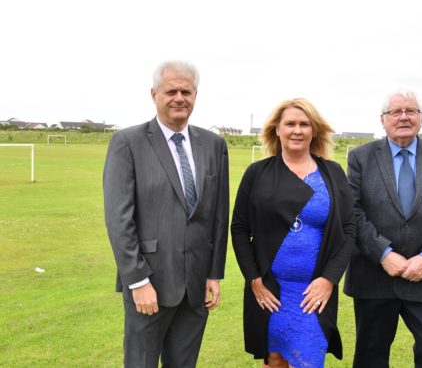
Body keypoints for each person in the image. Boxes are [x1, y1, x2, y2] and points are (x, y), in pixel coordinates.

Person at [103, 60, 229, 367]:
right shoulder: (128, 143)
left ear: (195, 95)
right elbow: (120, 220)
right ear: (154, 94)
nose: (179, 98)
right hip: (150, 283)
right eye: (171, 90)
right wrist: (137, 282)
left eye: (186, 91)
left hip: (196, 285)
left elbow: (218, 215)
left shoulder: (213, 145)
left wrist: (214, 272)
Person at [344, 89, 422, 368]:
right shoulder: (360, 158)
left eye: (410, 111)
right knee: (371, 354)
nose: (403, 117)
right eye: (396, 112)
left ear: (421, 118)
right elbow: (352, 212)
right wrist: (383, 253)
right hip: (374, 277)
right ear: (383, 119)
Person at [231, 98, 356, 368]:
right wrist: (254, 279)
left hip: (312, 293)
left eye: (304, 124)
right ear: (277, 129)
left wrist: (329, 279)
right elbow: (240, 229)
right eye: (290, 124)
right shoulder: (257, 173)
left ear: (314, 130)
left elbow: (349, 229)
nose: (297, 130)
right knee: (274, 360)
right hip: (271, 291)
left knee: (308, 359)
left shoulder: (332, 174)